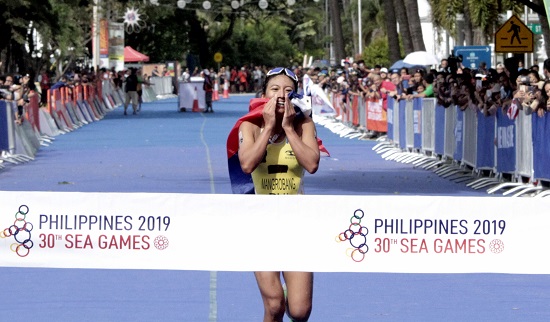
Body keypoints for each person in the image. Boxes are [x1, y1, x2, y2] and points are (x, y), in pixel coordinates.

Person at [234, 67, 319, 322]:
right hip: (261, 223)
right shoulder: (249, 126)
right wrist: (269, 125)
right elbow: (247, 164)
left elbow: (312, 164)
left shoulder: (304, 124)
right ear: (264, 94)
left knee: (300, 311)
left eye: (288, 90)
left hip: (297, 222)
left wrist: (288, 129)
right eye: (275, 89)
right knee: (274, 305)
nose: (282, 94)